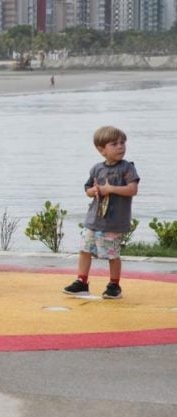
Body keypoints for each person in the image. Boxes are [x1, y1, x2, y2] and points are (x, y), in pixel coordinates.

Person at [63, 126, 139, 300]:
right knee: (85, 249)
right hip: (94, 219)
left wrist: (110, 189)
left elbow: (132, 189)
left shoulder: (127, 168)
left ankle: (114, 285)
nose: (120, 147)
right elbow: (88, 188)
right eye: (114, 144)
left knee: (112, 254)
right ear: (101, 149)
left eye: (122, 143)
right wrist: (92, 191)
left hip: (114, 221)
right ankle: (81, 282)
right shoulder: (97, 169)